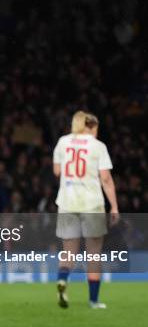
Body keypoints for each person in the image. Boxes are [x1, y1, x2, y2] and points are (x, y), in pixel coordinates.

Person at [53, 111, 119, 309]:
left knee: (68, 251)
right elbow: (105, 179)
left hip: (67, 202)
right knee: (94, 253)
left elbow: (57, 171)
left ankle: (63, 280)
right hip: (91, 203)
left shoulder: (63, 142)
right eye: (96, 129)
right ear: (89, 127)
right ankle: (93, 300)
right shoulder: (98, 146)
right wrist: (114, 206)